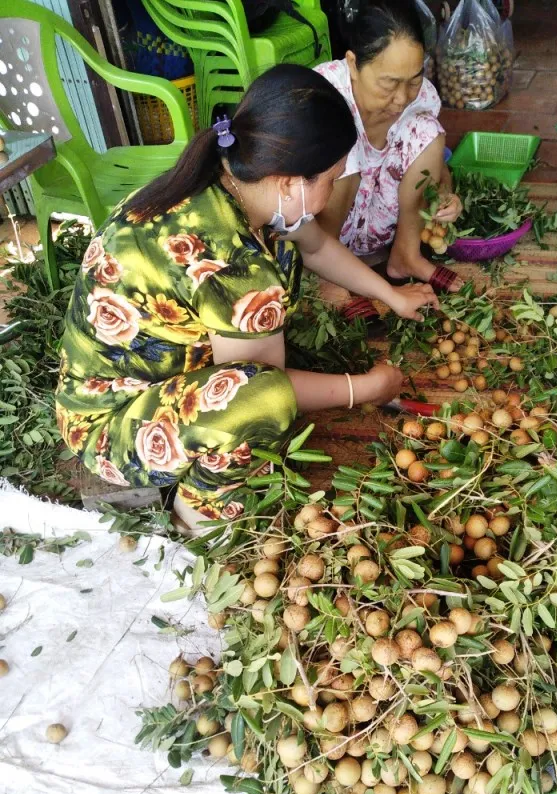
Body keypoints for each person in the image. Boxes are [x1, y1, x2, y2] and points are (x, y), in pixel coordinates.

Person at [55, 65, 437, 532]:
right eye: (332, 178)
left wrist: (391, 295)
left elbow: (315, 244)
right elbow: (263, 383)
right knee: (266, 403)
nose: (335, 190)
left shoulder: (235, 178)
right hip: (111, 426)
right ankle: (195, 514)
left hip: (117, 379)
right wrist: (366, 389)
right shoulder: (233, 262)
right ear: (290, 181)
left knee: (286, 260)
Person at [314, 0, 463, 308]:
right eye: (389, 83)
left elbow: (438, 164)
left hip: (378, 226)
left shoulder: (420, 99)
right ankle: (325, 275)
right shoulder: (323, 92)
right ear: (353, 64)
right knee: (342, 141)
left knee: (428, 131)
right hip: (319, 234)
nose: (401, 98)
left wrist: (445, 194)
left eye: (414, 79)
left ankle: (406, 255)